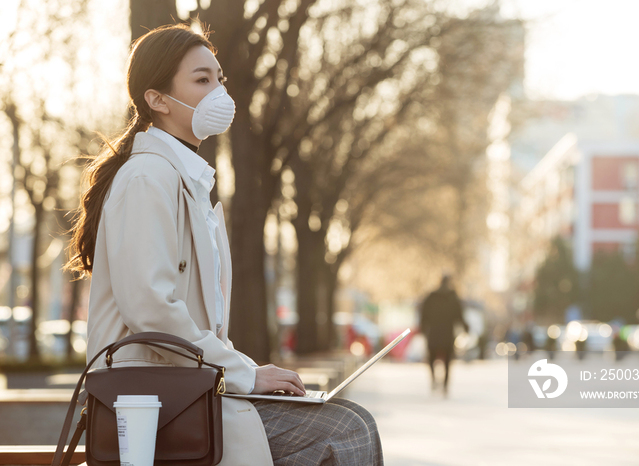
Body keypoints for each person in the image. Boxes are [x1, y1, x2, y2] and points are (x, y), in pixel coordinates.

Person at [65, 24, 382, 466]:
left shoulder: (184, 179)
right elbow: (152, 309)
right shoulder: (146, 179)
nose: (219, 92)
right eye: (201, 80)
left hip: (187, 391)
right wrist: (246, 374)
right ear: (156, 99)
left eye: (219, 79)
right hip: (152, 404)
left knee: (351, 420)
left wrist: (245, 370)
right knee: (346, 430)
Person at [419, 274, 469, 394]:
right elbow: (459, 316)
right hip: (447, 333)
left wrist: (423, 328)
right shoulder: (452, 297)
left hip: (434, 332)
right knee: (447, 360)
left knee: (432, 357)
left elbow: (423, 314)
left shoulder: (432, 296)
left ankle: (434, 380)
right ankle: (445, 385)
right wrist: (465, 327)